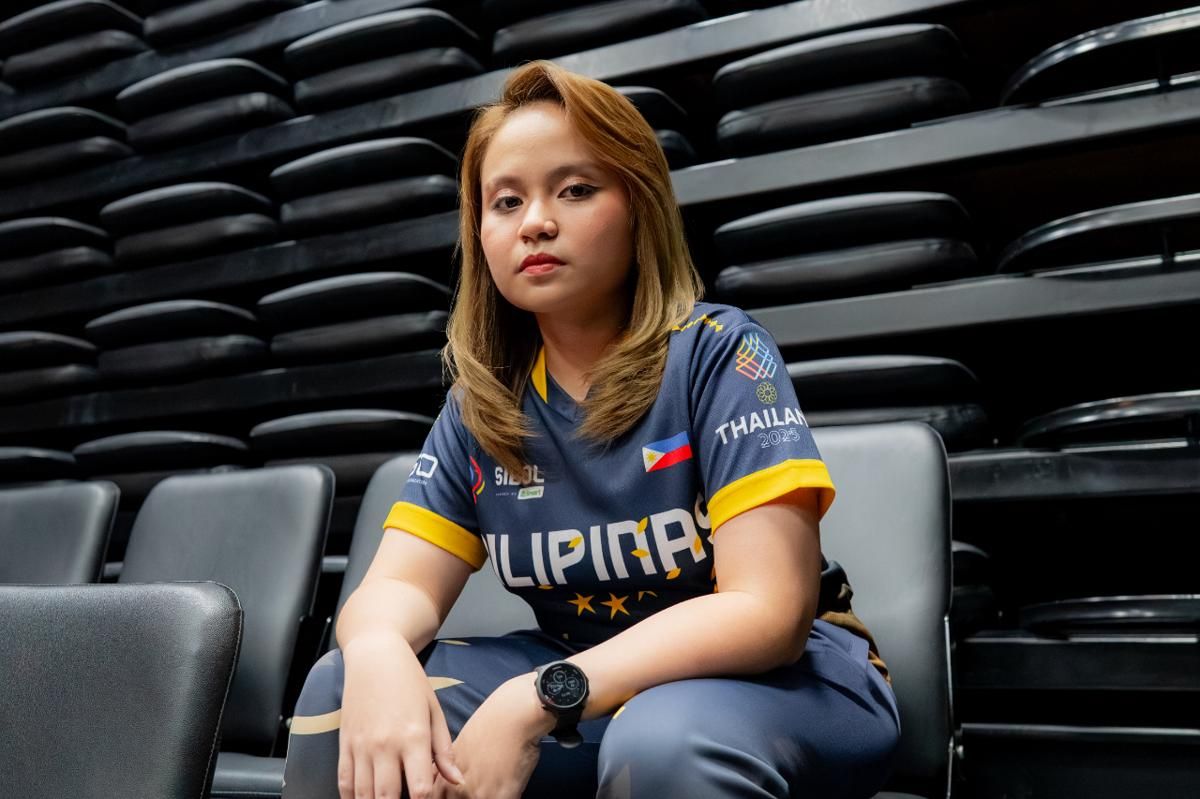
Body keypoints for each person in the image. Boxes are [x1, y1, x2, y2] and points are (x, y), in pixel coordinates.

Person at [281, 60, 900, 799]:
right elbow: (395, 587)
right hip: (585, 680)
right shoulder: (483, 404)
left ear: (638, 207)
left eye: (575, 190)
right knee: (343, 692)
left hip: (785, 681)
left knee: (662, 739)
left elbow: (768, 613)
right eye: (506, 201)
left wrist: (540, 694)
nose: (536, 221)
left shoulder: (719, 353)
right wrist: (380, 649)